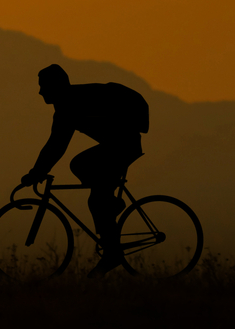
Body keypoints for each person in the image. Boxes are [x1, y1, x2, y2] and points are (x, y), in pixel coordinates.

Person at [20, 63, 149, 276]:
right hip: (121, 143)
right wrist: (37, 171)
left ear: (55, 86)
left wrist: (36, 173)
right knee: (91, 184)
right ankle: (111, 208)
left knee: (95, 194)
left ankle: (112, 253)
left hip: (124, 144)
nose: (40, 91)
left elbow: (56, 146)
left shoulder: (68, 104)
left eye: (43, 86)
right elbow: (56, 145)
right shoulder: (67, 103)